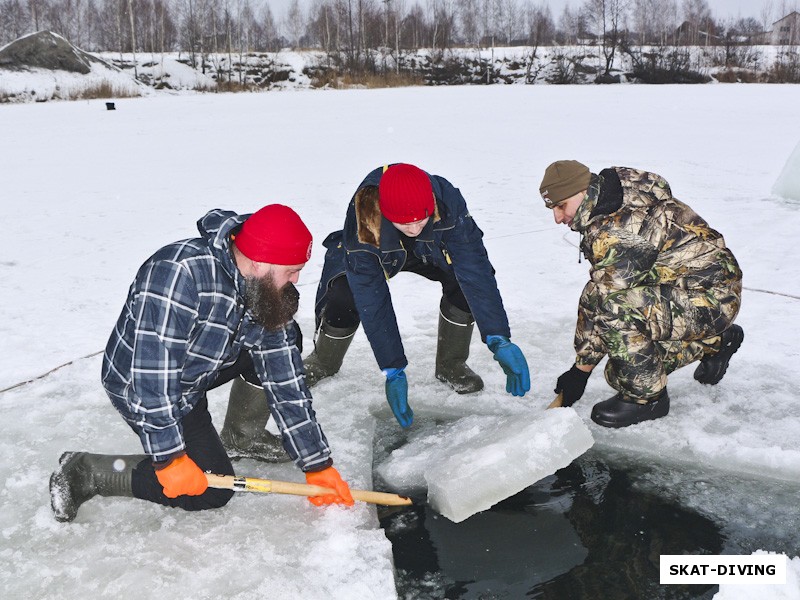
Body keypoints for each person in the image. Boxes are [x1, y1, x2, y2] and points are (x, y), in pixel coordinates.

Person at [49, 205, 354, 522]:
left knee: (285, 341)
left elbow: (286, 383)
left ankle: (243, 435)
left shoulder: (263, 289)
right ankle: (85, 472)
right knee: (212, 490)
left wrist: (318, 465)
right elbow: (153, 377)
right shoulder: (177, 275)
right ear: (258, 261)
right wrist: (169, 458)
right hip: (141, 381)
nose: (297, 278)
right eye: (291, 270)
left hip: (197, 372)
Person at [304, 163, 530, 428]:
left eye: (420, 220)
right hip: (381, 248)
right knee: (346, 294)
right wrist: (393, 368)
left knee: (465, 283)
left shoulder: (447, 202)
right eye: (404, 223)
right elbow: (373, 300)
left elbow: (475, 270)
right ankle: (324, 361)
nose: (413, 229)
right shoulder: (365, 217)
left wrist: (498, 337)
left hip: (431, 249)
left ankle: (451, 365)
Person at [539, 161, 743, 428]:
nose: (557, 218)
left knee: (618, 311)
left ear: (583, 192)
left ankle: (648, 401)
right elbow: (595, 293)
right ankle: (716, 341)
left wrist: (582, 372)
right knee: (620, 372)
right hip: (685, 293)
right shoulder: (610, 207)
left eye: (561, 206)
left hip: (711, 299)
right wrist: (580, 369)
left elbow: (610, 302)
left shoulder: (619, 231)